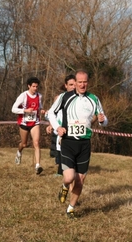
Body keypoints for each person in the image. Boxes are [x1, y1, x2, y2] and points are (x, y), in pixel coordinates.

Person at [48, 69, 108, 219]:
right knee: (69, 177)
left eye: (85, 82)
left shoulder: (93, 99)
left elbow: (104, 120)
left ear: (88, 82)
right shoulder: (64, 97)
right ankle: (64, 186)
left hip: (84, 144)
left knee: (80, 180)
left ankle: (71, 208)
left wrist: (102, 120)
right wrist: (57, 127)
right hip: (68, 142)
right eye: (79, 82)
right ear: (75, 83)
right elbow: (50, 113)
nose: (82, 85)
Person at [12, 77, 46, 175]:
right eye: (33, 86)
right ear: (29, 86)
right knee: (24, 144)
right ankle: (19, 152)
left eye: (37, 86)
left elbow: (39, 107)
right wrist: (24, 110)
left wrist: (42, 110)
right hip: (24, 123)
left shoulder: (39, 96)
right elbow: (13, 109)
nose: (35, 88)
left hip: (35, 122)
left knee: (36, 143)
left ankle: (37, 166)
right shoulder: (23, 96)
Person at [46, 74, 76, 176]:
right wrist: (51, 125)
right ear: (66, 85)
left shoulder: (80, 99)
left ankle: (72, 168)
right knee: (60, 148)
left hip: (74, 127)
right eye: (71, 84)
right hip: (61, 127)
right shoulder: (59, 98)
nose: (73, 87)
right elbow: (52, 112)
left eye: (74, 84)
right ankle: (60, 171)